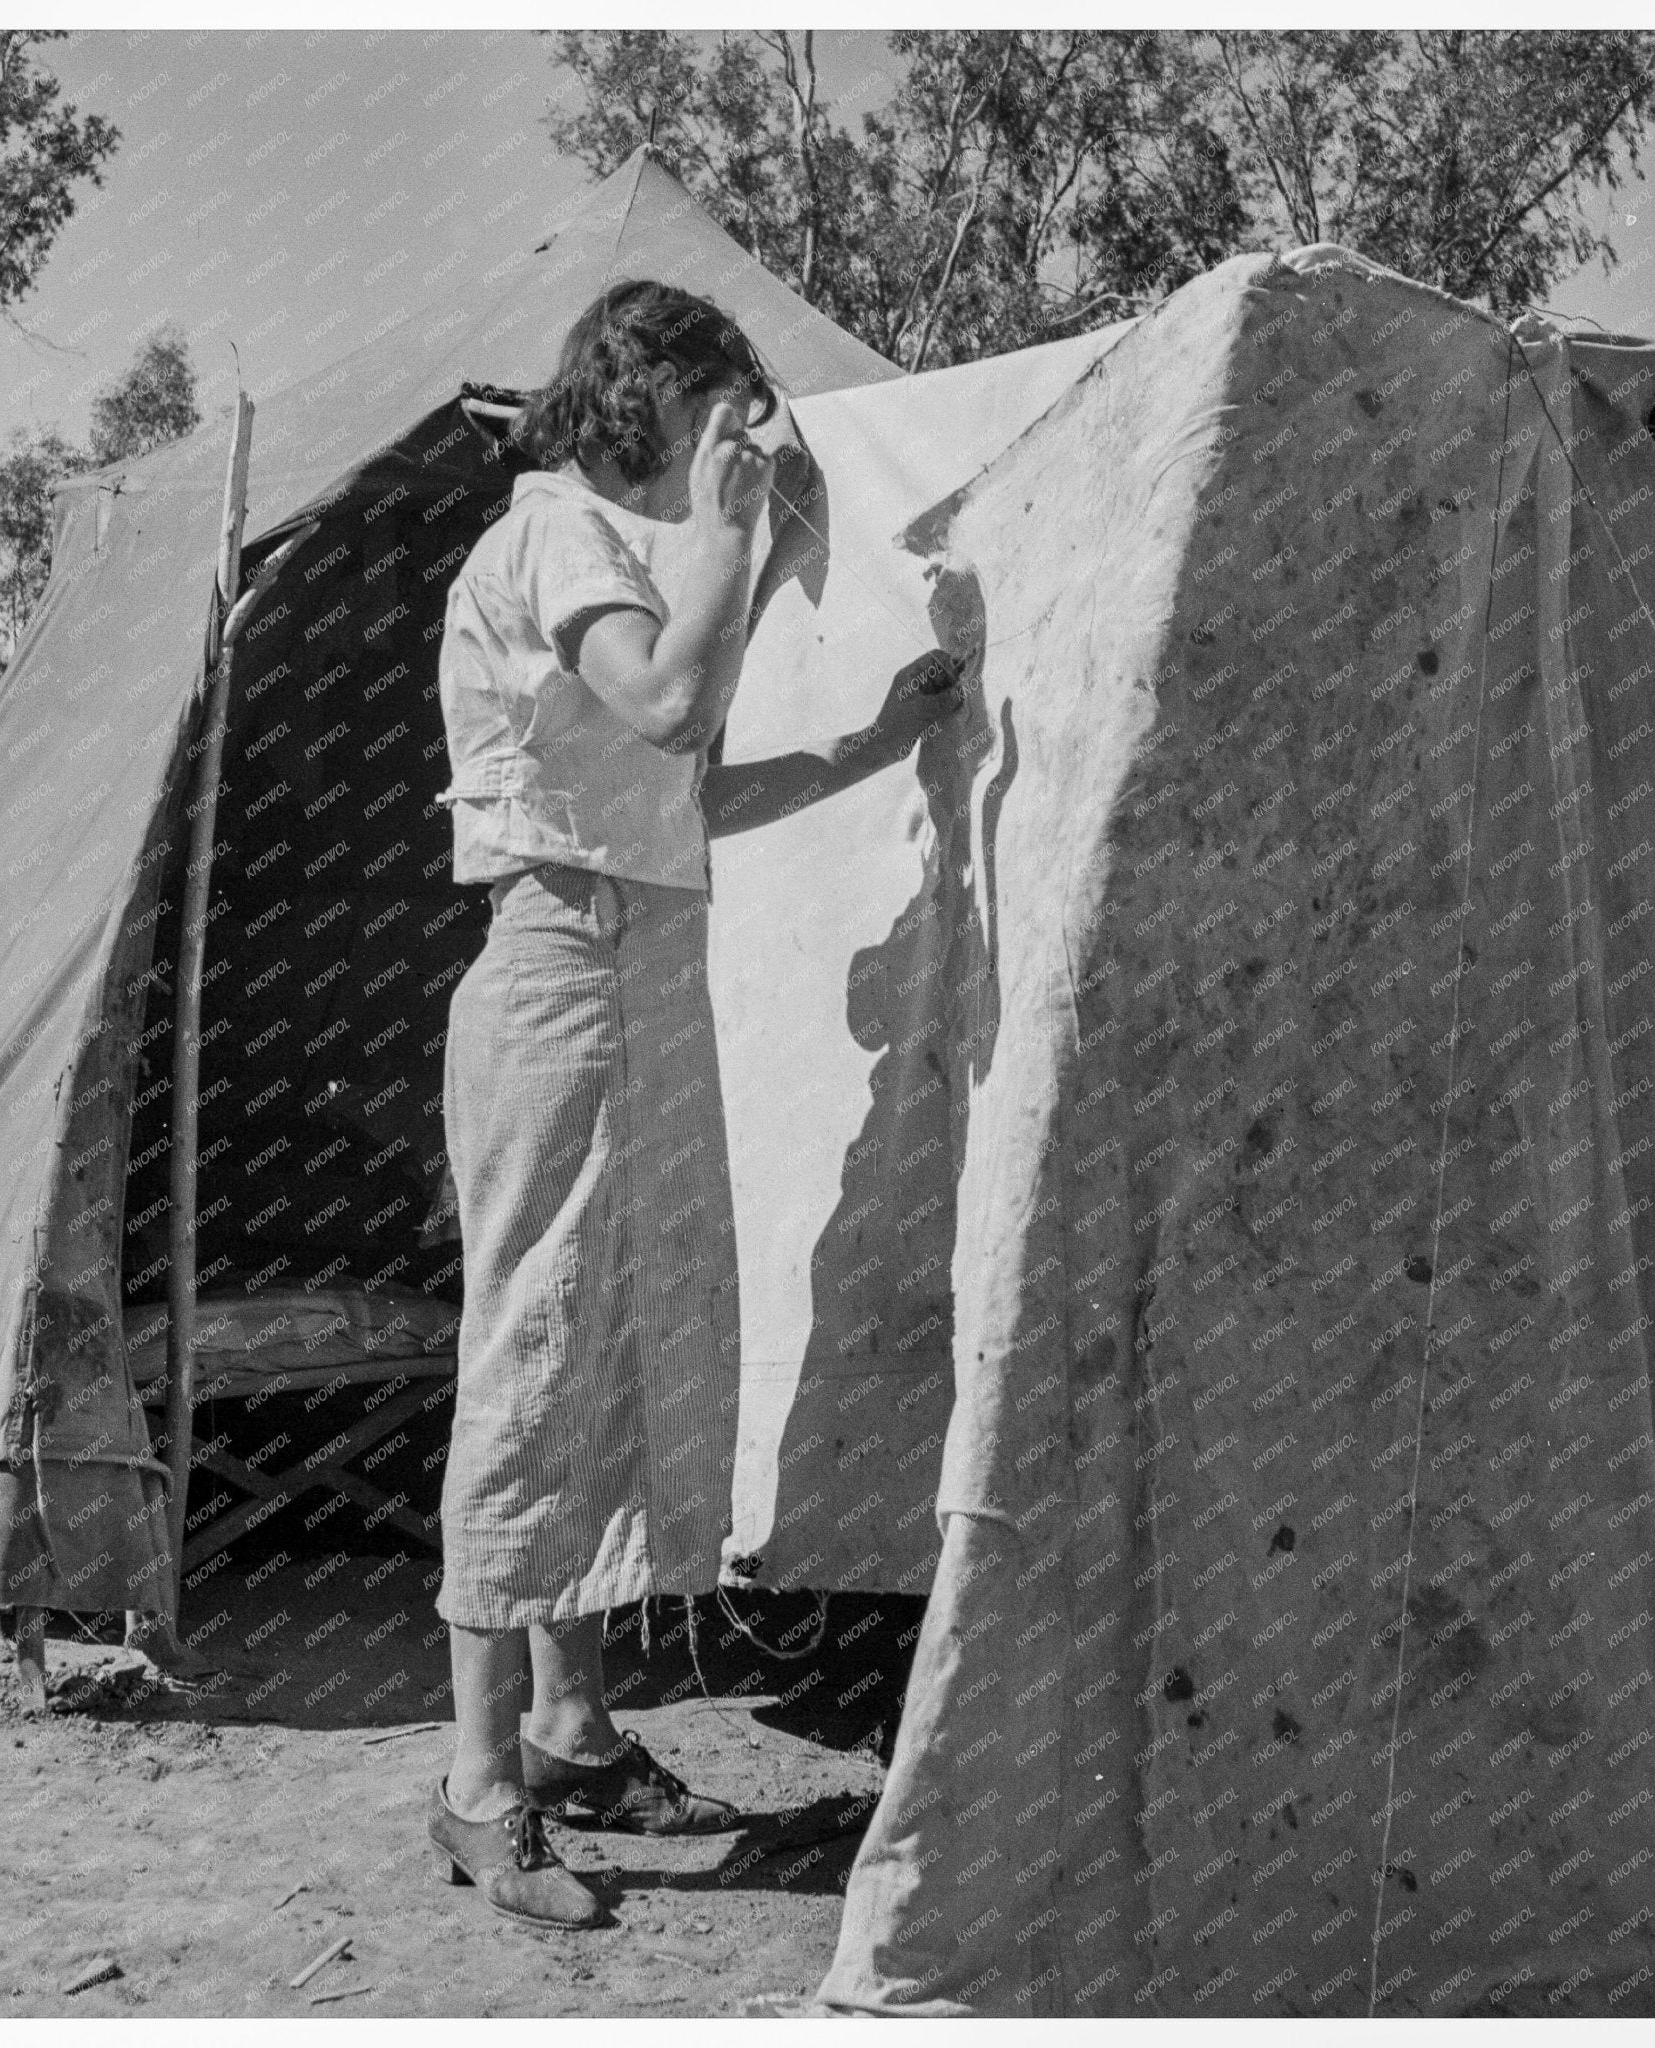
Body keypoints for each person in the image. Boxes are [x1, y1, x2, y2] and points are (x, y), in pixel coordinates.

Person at [421, 278, 963, 1930]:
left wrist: (877, 745)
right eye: (727, 411)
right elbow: (668, 703)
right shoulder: (560, 533)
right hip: (558, 961)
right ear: (650, 395)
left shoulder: (608, 554)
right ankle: (480, 1784)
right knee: (533, 1353)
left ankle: (579, 1735)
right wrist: (729, 526)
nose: (742, 446)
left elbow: (684, 789)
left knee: (617, 1344)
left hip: (637, 962)